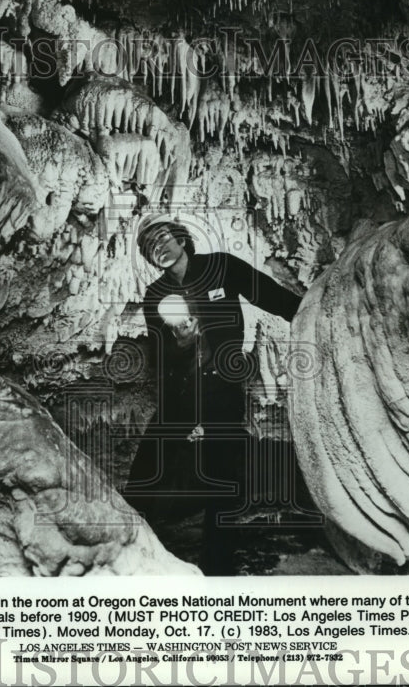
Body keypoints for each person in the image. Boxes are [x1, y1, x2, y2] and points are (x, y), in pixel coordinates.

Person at [123, 218, 302, 574]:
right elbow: (160, 358)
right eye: (147, 247)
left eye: (161, 237)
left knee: (224, 478)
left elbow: (271, 295)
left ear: (182, 239)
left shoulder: (221, 266)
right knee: (148, 469)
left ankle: (217, 566)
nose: (157, 246)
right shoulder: (156, 296)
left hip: (221, 388)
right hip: (181, 395)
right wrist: (182, 343)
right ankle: (122, 545)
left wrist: (314, 313)